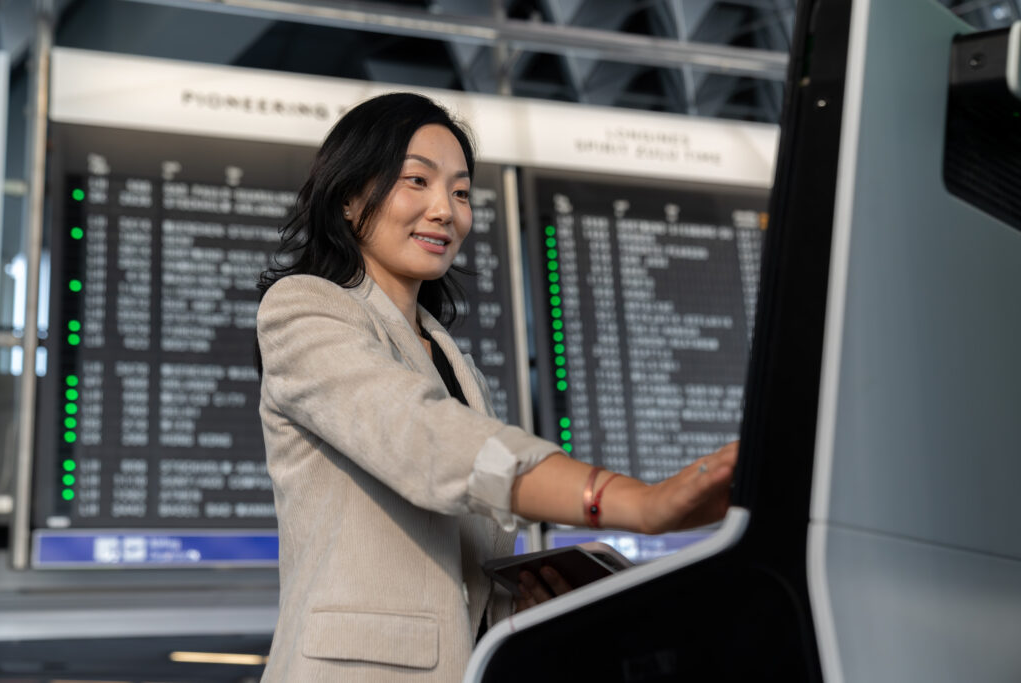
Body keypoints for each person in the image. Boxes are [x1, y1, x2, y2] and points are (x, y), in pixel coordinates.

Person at [255, 92, 738, 682]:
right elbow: (424, 440)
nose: (445, 211)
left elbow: (456, 581)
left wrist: (517, 610)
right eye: (417, 181)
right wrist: (635, 504)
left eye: (461, 193)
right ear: (349, 200)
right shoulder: (302, 308)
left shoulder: (457, 369)